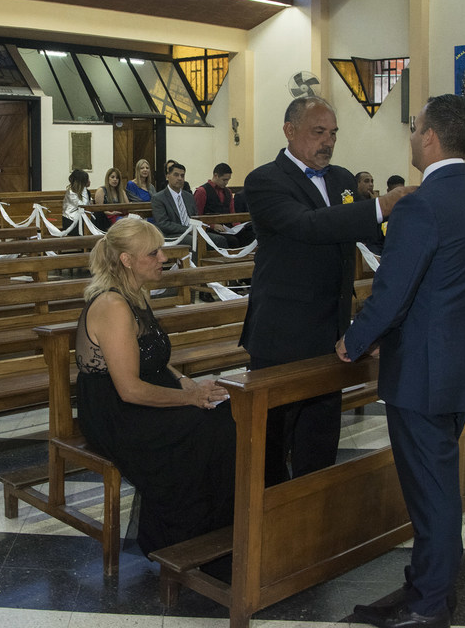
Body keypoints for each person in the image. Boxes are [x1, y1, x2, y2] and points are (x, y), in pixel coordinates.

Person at [336, 94, 465, 628]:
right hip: (460, 363)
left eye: (414, 127)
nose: (411, 136)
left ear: (430, 137)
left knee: (432, 494)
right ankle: (425, 586)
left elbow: (394, 289)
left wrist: (355, 340)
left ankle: (430, 604)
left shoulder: (421, 204)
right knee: (437, 486)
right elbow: (447, 287)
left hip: (422, 373)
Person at [239, 96, 411, 484]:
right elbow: (309, 225)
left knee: (320, 436)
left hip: (331, 329)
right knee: (271, 440)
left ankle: (313, 509)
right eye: (319, 132)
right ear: (289, 130)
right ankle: (268, 512)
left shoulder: (342, 179)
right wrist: (381, 205)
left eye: (333, 133)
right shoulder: (265, 180)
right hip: (282, 332)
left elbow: (359, 231)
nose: (328, 142)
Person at [74, 217, 235, 555]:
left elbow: (150, 355)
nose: (164, 257)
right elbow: (129, 389)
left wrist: (183, 381)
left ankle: (219, 528)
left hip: (139, 395)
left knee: (228, 413)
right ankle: (181, 539)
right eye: (153, 253)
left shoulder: (135, 294)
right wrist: (190, 398)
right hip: (116, 412)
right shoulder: (113, 306)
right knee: (208, 428)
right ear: (126, 260)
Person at [150, 163, 230, 247]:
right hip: (173, 235)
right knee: (196, 242)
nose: (180, 178)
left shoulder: (189, 196)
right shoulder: (159, 198)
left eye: (182, 175)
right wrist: (188, 229)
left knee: (220, 239)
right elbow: (163, 223)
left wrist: (203, 226)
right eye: (176, 175)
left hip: (193, 232)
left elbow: (196, 217)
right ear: (167, 176)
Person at [61, 169, 90, 235]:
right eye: (86, 180)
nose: (89, 181)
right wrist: (84, 188)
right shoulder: (71, 192)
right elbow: (84, 205)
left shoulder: (83, 191)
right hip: (71, 221)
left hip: (81, 219)